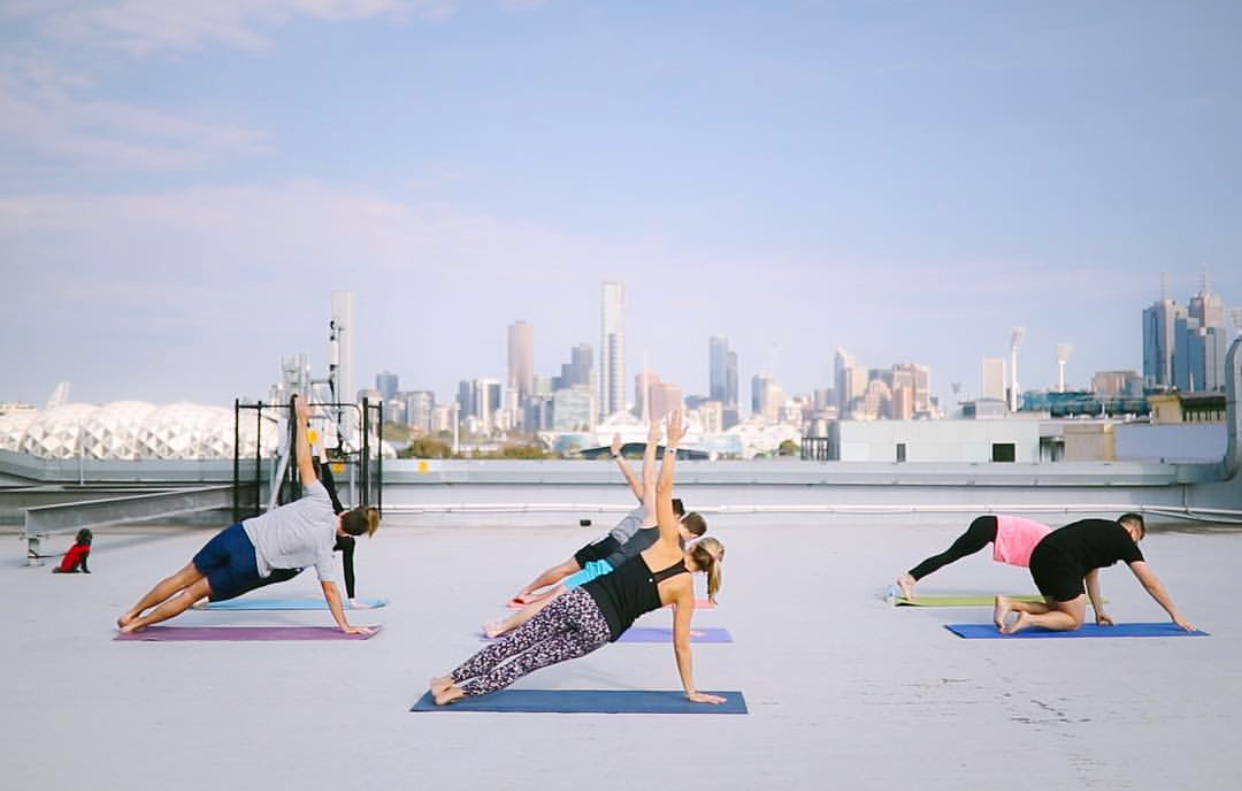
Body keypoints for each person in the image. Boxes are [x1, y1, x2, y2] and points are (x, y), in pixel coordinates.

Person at [429, 410, 726, 706]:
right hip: (603, 629)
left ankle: (448, 680)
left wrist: (670, 443)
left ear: (693, 546)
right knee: (528, 662)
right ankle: (457, 693)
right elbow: (681, 645)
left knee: (515, 644)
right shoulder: (685, 591)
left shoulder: (667, 542)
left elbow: (660, 487)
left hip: (582, 600)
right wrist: (691, 690)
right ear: (707, 569)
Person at [116, 395, 378, 635]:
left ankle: (131, 613)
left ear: (344, 512)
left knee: (181, 578)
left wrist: (301, 419)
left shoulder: (321, 499)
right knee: (191, 594)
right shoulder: (325, 549)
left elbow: (304, 462)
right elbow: (330, 591)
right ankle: (138, 625)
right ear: (347, 534)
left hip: (240, 535)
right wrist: (345, 625)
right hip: (251, 563)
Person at [485, 419, 707, 637]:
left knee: (553, 599)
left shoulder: (658, 519)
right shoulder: (677, 552)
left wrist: (655, 442)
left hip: (605, 571)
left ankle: (503, 627)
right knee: (557, 602)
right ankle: (510, 625)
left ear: (681, 520)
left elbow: (648, 479)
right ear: (693, 536)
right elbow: (677, 592)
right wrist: (685, 627)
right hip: (621, 587)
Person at [196, 443, 380, 609]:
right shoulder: (340, 521)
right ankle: (203, 593)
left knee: (251, 580)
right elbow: (329, 482)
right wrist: (321, 451)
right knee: (247, 576)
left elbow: (348, 569)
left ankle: (206, 597)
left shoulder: (342, 527)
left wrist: (352, 599)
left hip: (290, 563)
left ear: (349, 514)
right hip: (289, 555)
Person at [994, 512, 1194, 634]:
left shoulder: (1100, 530)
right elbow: (1150, 582)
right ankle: (1028, 619)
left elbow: (1091, 576)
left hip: (1040, 556)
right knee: (1073, 621)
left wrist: (1099, 611)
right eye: (1137, 540)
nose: (1135, 544)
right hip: (1060, 561)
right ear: (1133, 532)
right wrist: (1174, 614)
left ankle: (1010, 603)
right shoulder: (1124, 539)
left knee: (1058, 610)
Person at [894, 514, 1051, 599]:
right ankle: (909, 578)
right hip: (988, 527)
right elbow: (1042, 569)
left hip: (986, 523)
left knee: (950, 555)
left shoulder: (1049, 537)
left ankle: (910, 577)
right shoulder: (1049, 541)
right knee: (950, 555)